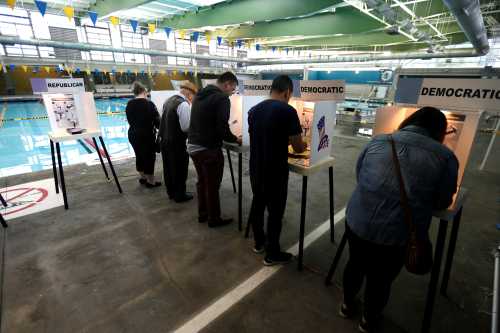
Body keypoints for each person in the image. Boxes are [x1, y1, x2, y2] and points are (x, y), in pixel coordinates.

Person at [340, 107, 458, 332]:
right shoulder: (445, 157)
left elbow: (360, 174)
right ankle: (368, 320)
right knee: (381, 278)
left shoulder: (378, 141)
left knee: (355, 264)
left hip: (358, 220)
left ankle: (346, 305)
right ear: (440, 131)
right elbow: (443, 201)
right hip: (396, 232)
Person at [247, 75, 307, 266]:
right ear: (287, 92)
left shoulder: (254, 110)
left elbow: (264, 135)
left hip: (256, 167)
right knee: (275, 212)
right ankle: (272, 253)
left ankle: (259, 243)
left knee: (258, 205)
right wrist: (302, 143)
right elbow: (298, 147)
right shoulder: (287, 111)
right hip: (275, 171)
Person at [187, 72, 241, 228]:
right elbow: (223, 127)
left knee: (202, 182)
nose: (232, 94)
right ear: (227, 84)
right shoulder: (222, 98)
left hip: (193, 146)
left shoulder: (199, 95)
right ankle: (214, 219)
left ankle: (203, 214)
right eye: (233, 90)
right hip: (208, 149)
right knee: (212, 185)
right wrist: (235, 139)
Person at [159, 81, 198, 203]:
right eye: (192, 95)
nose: (192, 99)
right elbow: (185, 127)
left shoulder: (168, 100)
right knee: (180, 169)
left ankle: (171, 192)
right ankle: (180, 195)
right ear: (188, 92)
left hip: (165, 141)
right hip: (176, 143)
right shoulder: (183, 105)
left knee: (168, 168)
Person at [126, 81, 161, 188]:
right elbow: (157, 122)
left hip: (133, 134)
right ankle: (151, 182)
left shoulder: (129, 104)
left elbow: (130, 120)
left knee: (139, 155)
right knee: (150, 157)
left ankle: (143, 177)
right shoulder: (149, 104)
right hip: (146, 135)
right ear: (144, 91)